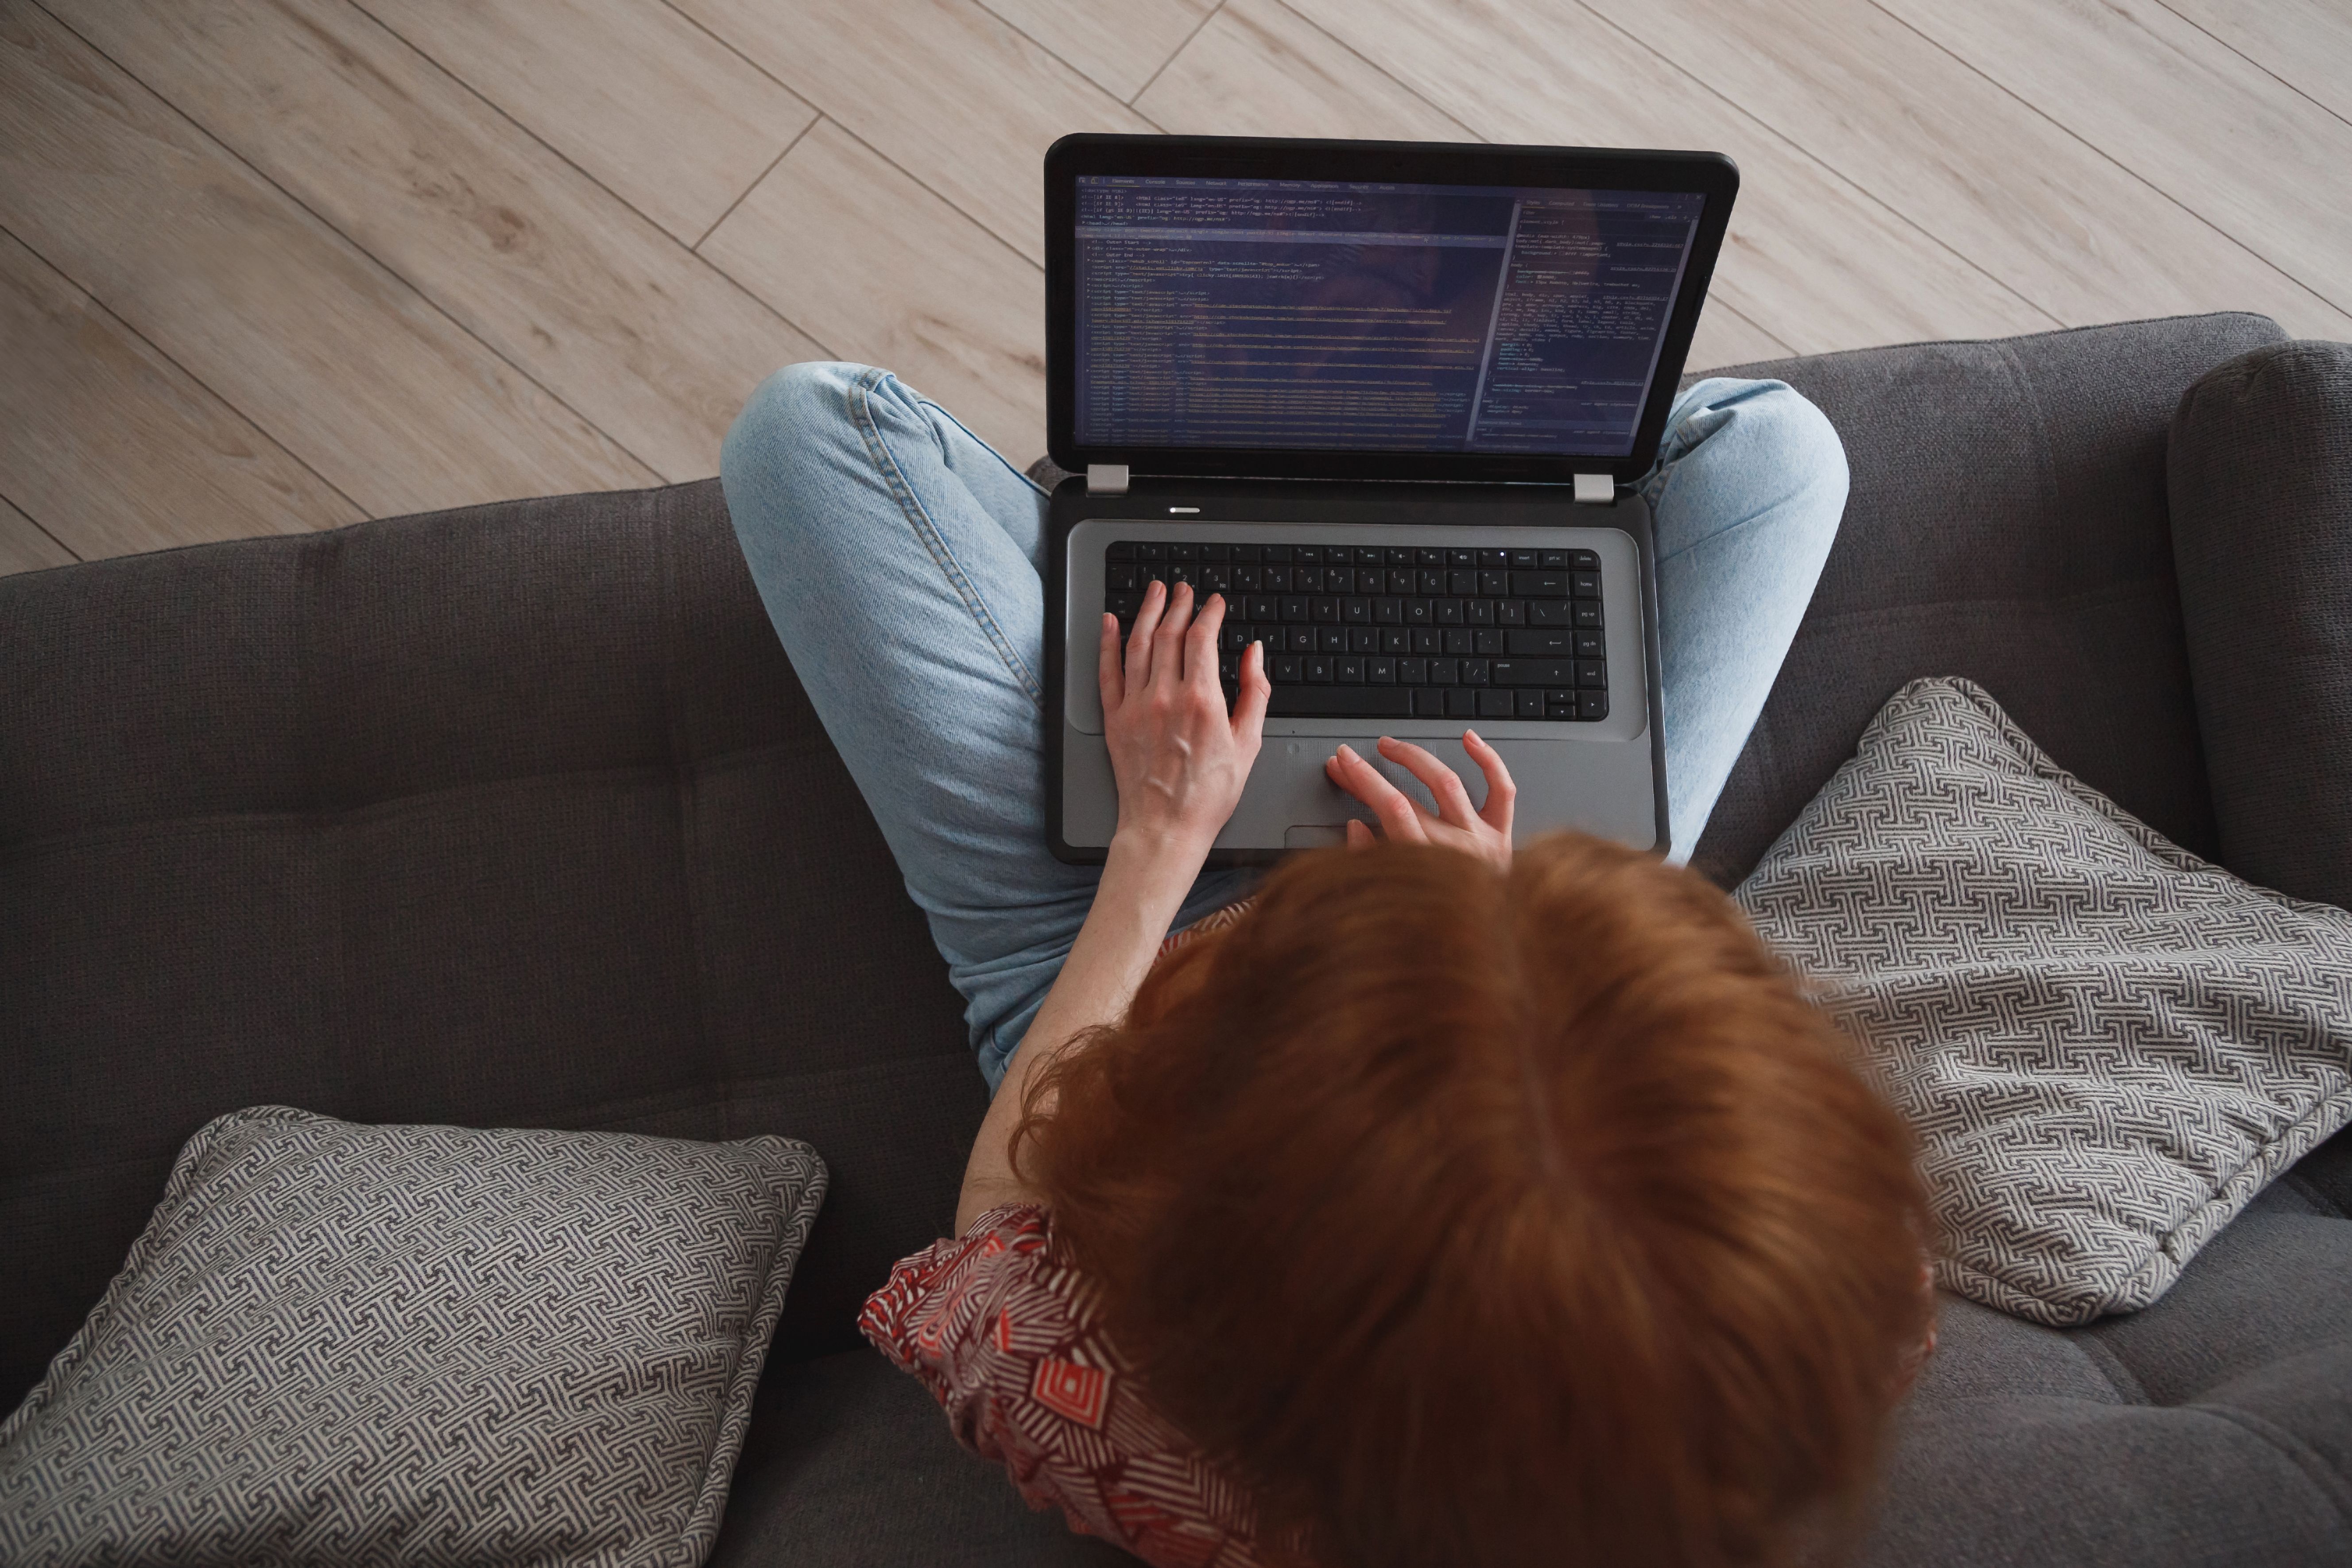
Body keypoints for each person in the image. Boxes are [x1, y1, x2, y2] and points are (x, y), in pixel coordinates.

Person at [721, 364, 1932, 1567]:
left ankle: (1129, 579)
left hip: (1119, 969)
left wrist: (1154, 839)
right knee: (1776, 452)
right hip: (1498, 881)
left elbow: (999, 1221)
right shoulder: (1805, 1329)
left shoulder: (1106, 1417)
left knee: (813, 430)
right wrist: (1511, 904)